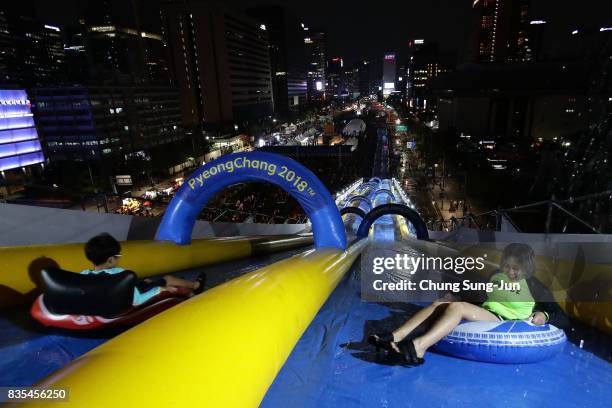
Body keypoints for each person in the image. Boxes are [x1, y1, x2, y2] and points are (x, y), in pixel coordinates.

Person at [368, 243, 567, 366]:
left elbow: (562, 316)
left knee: (458, 308)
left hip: (505, 322)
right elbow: (480, 296)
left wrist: (544, 316)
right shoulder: (495, 276)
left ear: (527, 268)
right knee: (442, 303)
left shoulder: (535, 287)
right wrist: (455, 296)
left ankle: (419, 347)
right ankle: (396, 336)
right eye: (506, 265)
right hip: (488, 314)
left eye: (516, 268)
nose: (510, 272)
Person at [81, 233, 205, 306]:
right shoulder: (120, 274)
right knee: (168, 279)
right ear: (110, 260)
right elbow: (136, 300)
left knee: (148, 281)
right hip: (132, 301)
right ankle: (196, 285)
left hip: (113, 299)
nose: (119, 258)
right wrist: (160, 290)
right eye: (118, 256)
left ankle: (189, 287)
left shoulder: (84, 275)